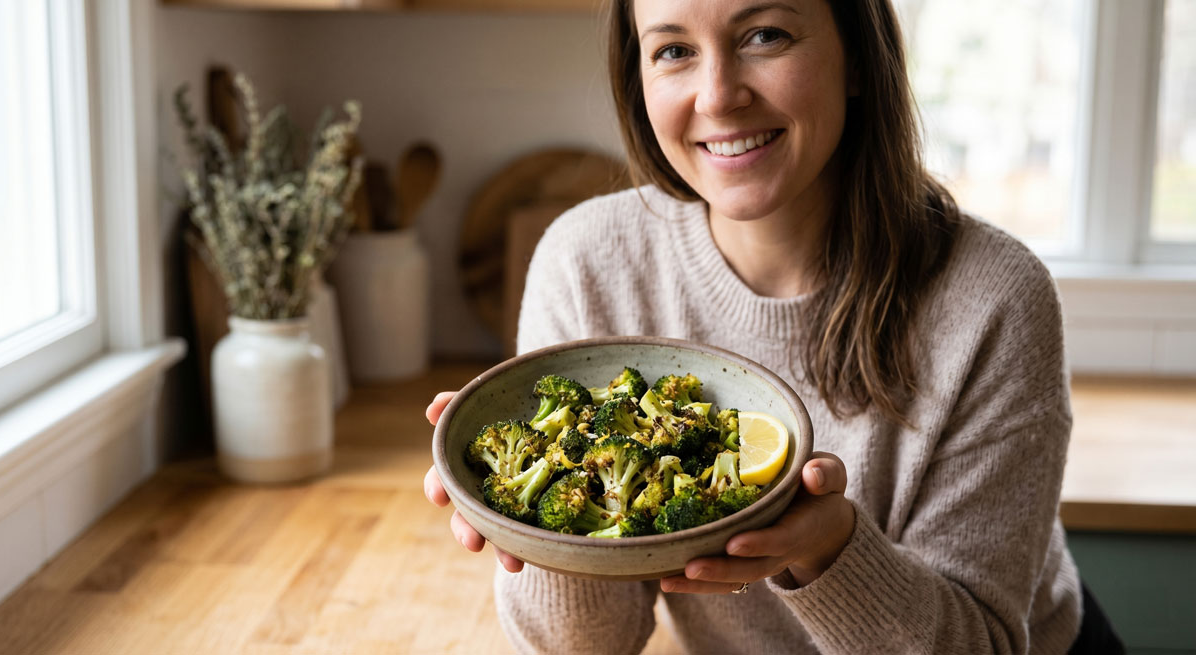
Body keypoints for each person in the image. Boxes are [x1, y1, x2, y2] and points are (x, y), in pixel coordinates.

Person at [424, 0, 1124, 652]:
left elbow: (979, 640)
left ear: (857, 56)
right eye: (672, 50)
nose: (719, 95)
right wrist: (541, 520)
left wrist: (827, 550)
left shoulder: (995, 298)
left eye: (766, 35)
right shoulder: (585, 261)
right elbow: (587, 643)